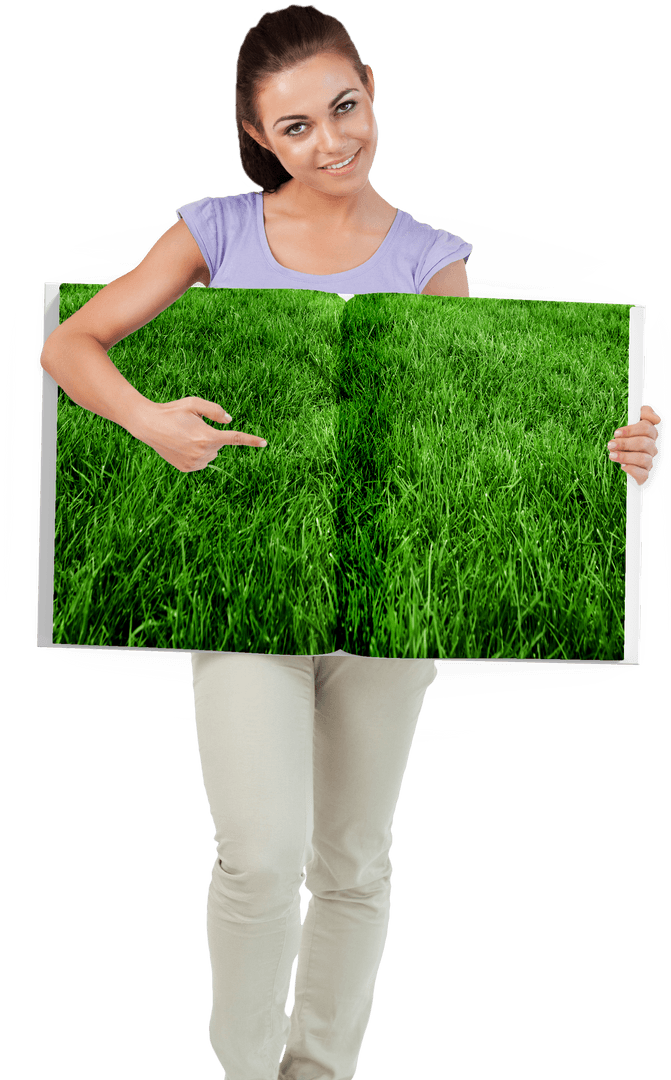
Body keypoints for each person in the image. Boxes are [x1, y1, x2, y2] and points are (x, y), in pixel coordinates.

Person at [39, 6, 661, 1078]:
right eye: (294, 128)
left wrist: (616, 450)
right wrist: (149, 419)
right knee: (257, 854)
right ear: (254, 133)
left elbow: (461, 435)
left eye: (343, 108)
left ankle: (318, 1069)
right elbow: (72, 342)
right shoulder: (215, 230)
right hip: (243, 589)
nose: (329, 142)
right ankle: (243, 1071)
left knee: (355, 861)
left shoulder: (432, 258)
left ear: (370, 87)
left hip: (385, 601)